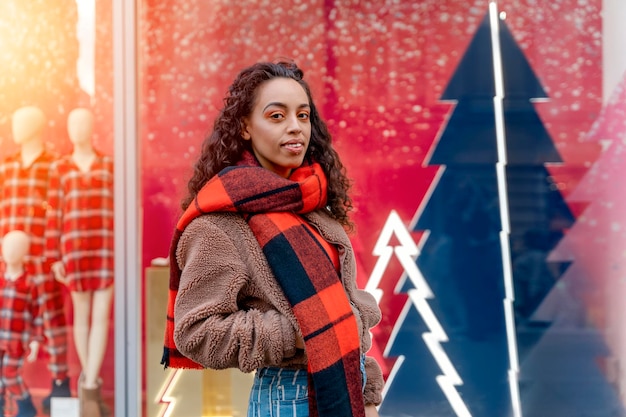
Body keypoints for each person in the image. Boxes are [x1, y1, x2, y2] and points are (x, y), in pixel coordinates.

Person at [162, 60, 384, 417]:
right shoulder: (220, 221)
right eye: (277, 116)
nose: (295, 127)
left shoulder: (314, 205)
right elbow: (196, 331)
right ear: (246, 127)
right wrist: (296, 331)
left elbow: (346, 318)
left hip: (349, 391)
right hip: (288, 397)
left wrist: (369, 395)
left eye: (303, 115)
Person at [0, 106, 71, 414]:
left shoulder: (54, 165)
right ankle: (8, 390)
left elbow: (58, 210)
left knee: (51, 320)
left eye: (20, 122)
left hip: (42, 256)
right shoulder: (7, 167)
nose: (14, 128)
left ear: (36, 126)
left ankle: (60, 385)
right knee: (9, 321)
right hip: (11, 258)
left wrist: (55, 252)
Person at [45, 107, 114, 417]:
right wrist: (53, 254)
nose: (77, 129)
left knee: (100, 317)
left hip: (106, 247)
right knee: (82, 316)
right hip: (73, 248)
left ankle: (88, 387)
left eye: (83, 123)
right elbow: (53, 213)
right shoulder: (59, 168)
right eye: (72, 124)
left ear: (92, 127)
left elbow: (121, 209)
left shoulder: (109, 165)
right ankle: (91, 388)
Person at [0, 230, 42, 417]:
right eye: (7, 246)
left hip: (16, 342)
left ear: (24, 252)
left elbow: (38, 314)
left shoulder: (30, 284)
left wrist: (36, 340)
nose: (10, 252)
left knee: (10, 374)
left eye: (16, 248)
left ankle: (26, 406)